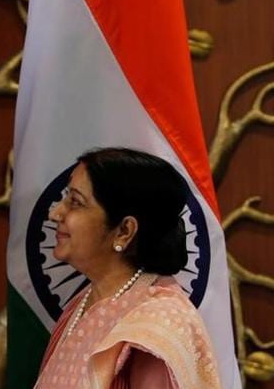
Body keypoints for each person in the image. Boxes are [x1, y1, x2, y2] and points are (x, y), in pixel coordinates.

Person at [34, 148, 222, 389]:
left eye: (76, 202)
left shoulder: (154, 331)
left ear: (124, 231)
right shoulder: (82, 305)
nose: (54, 213)